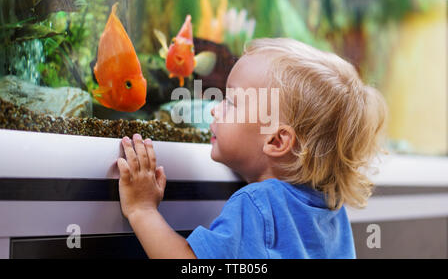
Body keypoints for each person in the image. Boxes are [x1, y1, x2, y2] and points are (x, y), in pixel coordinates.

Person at [117, 38, 387, 259]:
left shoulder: (257, 204)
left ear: (276, 141)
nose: (215, 108)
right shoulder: (330, 208)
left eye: (231, 102)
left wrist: (143, 211)